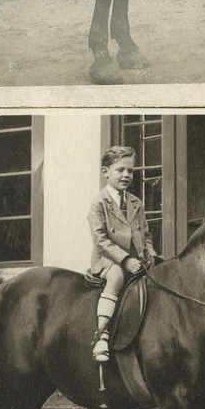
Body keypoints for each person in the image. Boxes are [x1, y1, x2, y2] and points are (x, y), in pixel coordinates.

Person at [88, 146, 156, 362]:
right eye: (120, 170)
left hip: (137, 261)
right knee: (116, 275)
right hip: (109, 261)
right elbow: (101, 240)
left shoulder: (136, 202)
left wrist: (150, 253)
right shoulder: (99, 203)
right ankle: (102, 333)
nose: (126, 175)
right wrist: (125, 260)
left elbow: (145, 234)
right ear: (105, 172)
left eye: (130, 171)